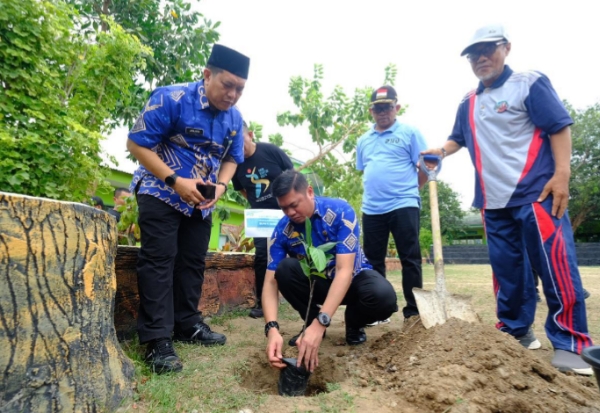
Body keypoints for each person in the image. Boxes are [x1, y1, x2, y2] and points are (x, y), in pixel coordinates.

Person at [422, 24, 593, 375]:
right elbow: (459, 138)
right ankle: (516, 330)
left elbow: (559, 126)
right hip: (493, 203)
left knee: (555, 267)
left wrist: (562, 176)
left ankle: (571, 343)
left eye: (488, 49)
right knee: (508, 275)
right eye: (473, 53)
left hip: (536, 195)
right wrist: (441, 150)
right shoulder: (468, 101)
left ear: (507, 48)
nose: (481, 58)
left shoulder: (529, 83)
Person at [126, 44, 250, 374]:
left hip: (201, 204)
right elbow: (136, 143)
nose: (233, 94)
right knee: (159, 261)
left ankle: (187, 325)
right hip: (160, 192)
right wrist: (174, 180)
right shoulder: (171, 98)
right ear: (207, 74)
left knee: (192, 264)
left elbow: (233, 159)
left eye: (240, 88)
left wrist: (221, 186)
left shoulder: (235, 119)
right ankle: (157, 340)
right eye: (228, 84)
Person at [263, 170, 398, 372]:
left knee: (383, 297)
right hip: (319, 284)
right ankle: (311, 323)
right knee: (284, 270)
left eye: (294, 204)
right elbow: (270, 282)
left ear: (309, 192)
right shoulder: (283, 230)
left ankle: (353, 323)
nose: (290, 212)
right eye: (284, 208)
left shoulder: (341, 213)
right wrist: (272, 329)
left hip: (353, 280)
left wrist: (323, 322)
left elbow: (345, 270)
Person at [356, 86, 428, 323]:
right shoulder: (363, 140)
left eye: (387, 107)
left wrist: (410, 190)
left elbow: (427, 168)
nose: (383, 112)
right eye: (378, 108)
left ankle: (413, 312)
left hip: (404, 204)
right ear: (371, 111)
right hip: (372, 209)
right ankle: (379, 312)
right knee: (373, 260)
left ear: (396, 107)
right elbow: (366, 170)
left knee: (410, 258)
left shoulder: (410, 133)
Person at [232, 121, 294, 319]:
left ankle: (302, 296)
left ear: (250, 134)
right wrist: (256, 202)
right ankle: (263, 302)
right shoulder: (235, 165)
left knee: (294, 253)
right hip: (260, 218)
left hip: (285, 214)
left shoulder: (271, 151)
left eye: (239, 140)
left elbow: (292, 175)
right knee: (262, 258)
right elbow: (242, 189)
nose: (236, 146)